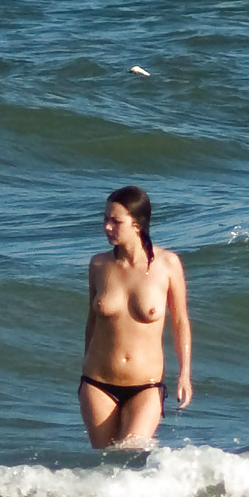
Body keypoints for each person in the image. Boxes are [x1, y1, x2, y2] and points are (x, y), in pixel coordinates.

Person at [80, 185, 191, 448]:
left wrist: (184, 374)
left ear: (138, 224)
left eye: (116, 221)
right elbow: (92, 321)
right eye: (105, 219)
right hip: (98, 383)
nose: (107, 226)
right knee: (106, 464)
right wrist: (84, 370)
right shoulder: (99, 265)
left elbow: (180, 321)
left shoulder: (167, 265)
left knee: (131, 454)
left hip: (146, 385)